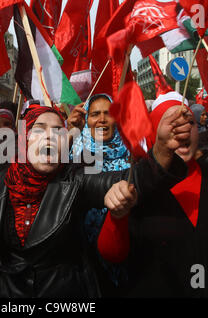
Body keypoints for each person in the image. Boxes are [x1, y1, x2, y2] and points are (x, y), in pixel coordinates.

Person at [0, 95, 193, 298]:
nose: (51, 137)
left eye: (58, 131)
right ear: (23, 140)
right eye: (39, 129)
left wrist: (161, 152)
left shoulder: (75, 181)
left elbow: (129, 179)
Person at [97, 92, 208, 297]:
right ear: (155, 133)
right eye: (172, 123)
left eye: (188, 122)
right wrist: (117, 215)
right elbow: (112, 254)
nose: (181, 131)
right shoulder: (136, 183)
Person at [68, 94, 130, 295]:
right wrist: (70, 133)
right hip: (82, 264)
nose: (102, 119)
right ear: (86, 120)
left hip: (125, 263)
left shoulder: (133, 156)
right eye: (95, 114)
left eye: (108, 113)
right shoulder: (72, 156)